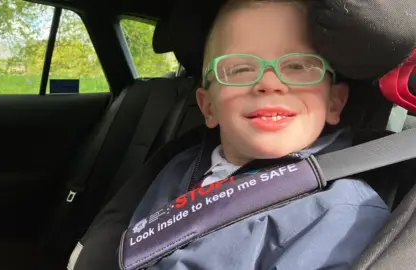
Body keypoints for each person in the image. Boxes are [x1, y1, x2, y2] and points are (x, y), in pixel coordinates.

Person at [126, 0, 391, 269]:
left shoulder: (342, 213)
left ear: (334, 103)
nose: (269, 83)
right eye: (240, 69)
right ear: (208, 107)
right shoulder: (177, 168)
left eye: (298, 66)